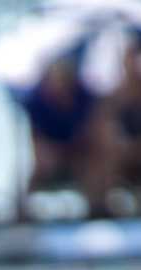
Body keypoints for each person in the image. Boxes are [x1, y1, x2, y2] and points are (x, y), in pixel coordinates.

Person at [19, 55, 99, 205]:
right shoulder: (37, 104)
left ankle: (94, 208)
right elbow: (36, 140)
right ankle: (24, 210)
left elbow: (90, 132)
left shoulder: (84, 99)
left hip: (78, 152)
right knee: (40, 168)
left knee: (93, 166)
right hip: (50, 152)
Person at [91, 36, 141, 212]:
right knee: (102, 162)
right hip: (121, 154)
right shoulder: (114, 97)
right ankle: (100, 210)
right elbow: (104, 129)